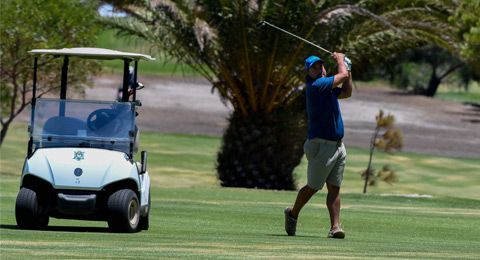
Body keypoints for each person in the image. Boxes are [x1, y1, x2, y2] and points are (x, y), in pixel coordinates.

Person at [285, 53, 352, 239]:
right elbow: (342, 76)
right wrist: (341, 61)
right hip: (320, 146)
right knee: (313, 187)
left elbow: (347, 92)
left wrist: (349, 68)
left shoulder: (327, 87)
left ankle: (335, 228)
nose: (320, 69)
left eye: (321, 66)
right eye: (315, 67)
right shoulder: (316, 86)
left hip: (338, 146)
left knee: (334, 188)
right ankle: (292, 213)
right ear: (308, 72)